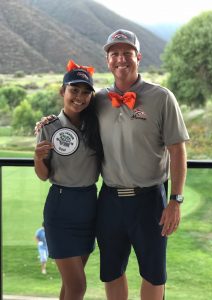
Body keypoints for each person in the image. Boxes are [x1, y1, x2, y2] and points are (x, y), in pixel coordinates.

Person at [35, 29, 189, 300]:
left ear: (138, 57)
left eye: (126, 53)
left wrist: (175, 199)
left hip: (150, 199)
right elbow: (73, 110)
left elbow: (178, 150)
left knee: (153, 273)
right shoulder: (98, 100)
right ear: (107, 60)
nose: (120, 59)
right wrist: (46, 122)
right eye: (114, 53)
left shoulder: (162, 97)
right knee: (111, 271)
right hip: (109, 200)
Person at [34, 60, 103, 300]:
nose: (79, 97)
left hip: (88, 205)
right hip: (61, 207)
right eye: (74, 90)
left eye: (86, 93)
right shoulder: (49, 127)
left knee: (70, 286)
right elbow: (43, 176)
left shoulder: (97, 124)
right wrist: (38, 158)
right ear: (63, 91)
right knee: (78, 287)